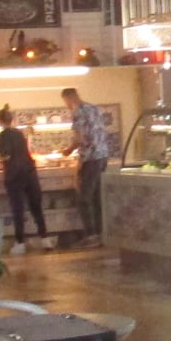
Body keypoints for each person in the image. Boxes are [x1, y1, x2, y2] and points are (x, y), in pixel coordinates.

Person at [63, 85, 113, 244]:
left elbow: (80, 139)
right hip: (103, 156)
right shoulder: (95, 108)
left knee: (84, 198)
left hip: (90, 159)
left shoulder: (77, 112)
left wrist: (68, 151)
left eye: (66, 102)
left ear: (69, 98)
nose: (67, 105)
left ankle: (91, 235)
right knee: (98, 197)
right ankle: (102, 233)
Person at [0, 106, 48, 253]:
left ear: (0, 121)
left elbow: (6, 156)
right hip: (30, 172)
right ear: (11, 120)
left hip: (14, 175)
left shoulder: (1, 136)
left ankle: (20, 243)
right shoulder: (19, 133)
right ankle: (45, 239)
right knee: (36, 207)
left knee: (18, 209)